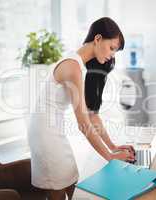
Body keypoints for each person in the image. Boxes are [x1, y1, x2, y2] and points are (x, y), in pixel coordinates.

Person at [27, 17, 135, 200]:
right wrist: (110, 157)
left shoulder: (80, 65)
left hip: (53, 131)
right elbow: (83, 123)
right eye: (112, 48)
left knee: (72, 185)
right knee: (59, 190)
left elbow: (92, 116)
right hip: (45, 135)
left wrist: (113, 147)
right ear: (98, 38)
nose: (112, 55)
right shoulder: (72, 66)